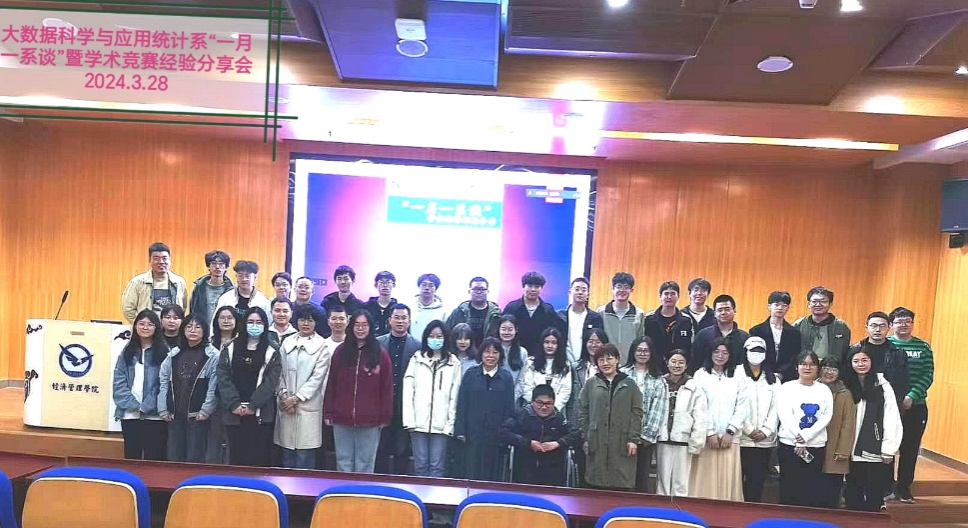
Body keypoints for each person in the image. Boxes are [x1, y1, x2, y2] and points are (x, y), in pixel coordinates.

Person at [323, 309, 394, 473]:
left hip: (370, 420)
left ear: (370, 327)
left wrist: (385, 416)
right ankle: (344, 490)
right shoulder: (340, 352)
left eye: (364, 325)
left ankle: (362, 490)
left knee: (365, 462)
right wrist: (328, 412)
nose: (360, 329)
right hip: (341, 418)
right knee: (343, 461)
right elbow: (331, 383)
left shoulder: (380, 354)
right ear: (351, 327)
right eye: (357, 325)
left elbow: (387, 388)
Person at [217, 307, 281, 467]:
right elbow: (223, 377)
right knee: (236, 458)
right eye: (251, 322)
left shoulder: (272, 350)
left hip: (260, 413)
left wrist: (253, 405)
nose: (255, 325)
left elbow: (270, 382)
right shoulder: (230, 347)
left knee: (259, 458)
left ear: (265, 325)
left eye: (259, 322)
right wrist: (234, 404)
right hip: (234, 412)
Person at [842, 345, 903, 512]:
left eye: (864, 360)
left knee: (873, 493)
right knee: (852, 494)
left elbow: (892, 418)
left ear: (872, 362)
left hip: (873, 449)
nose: (860, 364)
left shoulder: (882, 386)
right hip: (849, 449)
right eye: (856, 361)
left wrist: (889, 448)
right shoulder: (845, 384)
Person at [402, 320, 462, 477]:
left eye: (439, 336)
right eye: (432, 336)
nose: (435, 339)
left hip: (441, 425)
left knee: (437, 467)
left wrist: (450, 423)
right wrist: (409, 421)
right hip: (418, 423)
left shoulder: (453, 363)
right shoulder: (417, 359)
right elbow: (408, 391)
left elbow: (454, 395)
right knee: (420, 466)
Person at [580, 343, 644, 491]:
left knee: (621, 483)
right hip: (596, 439)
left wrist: (633, 439)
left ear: (617, 360)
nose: (605, 363)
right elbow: (583, 411)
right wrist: (586, 436)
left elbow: (637, 413)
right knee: (596, 483)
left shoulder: (629, 384)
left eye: (609, 358)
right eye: (601, 360)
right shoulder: (591, 384)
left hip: (622, 440)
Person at [690, 341, 748, 501]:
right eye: (716, 352)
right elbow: (699, 406)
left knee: (727, 481)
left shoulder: (738, 375)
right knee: (705, 483)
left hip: (730, 438)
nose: (720, 356)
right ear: (710, 353)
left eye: (725, 352)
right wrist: (710, 432)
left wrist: (730, 431)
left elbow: (742, 406)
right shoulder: (701, 375)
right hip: (707, 438)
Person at [275, 304, 330, 469]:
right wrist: (284, 396)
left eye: (310, 320)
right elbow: (278, 371)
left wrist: (296, 398)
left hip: (307, 406)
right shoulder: (287, 342)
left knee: (304, 458)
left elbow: (318, 377)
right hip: (286, 406)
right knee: (286, 456)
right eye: (302, 320)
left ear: (316, 323)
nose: (305, 324)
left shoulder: (322, 345)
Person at [888, 306, 934, 504]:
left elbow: (927, 375)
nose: (903, 325)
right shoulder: (886, 345)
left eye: (907, 321)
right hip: (889, 405)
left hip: (916, 406)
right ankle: (886, 486)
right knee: (888, 446)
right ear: (891, 325)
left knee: (910, 448)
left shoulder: (923, 347)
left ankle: (904, 488)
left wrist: (912, 396)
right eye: (899, 321)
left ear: (912, 324)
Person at [158, 313, 218, 463]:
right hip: (175, 414)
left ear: (204, 330)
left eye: (197, 327)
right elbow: (164, 381)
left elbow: (213, 387)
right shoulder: (174, 354)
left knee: (194, 458)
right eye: (189, 326)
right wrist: (163, 408)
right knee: (173, 457)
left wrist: (206, 410)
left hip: (198, 415)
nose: (193, 330)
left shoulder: (213, 355)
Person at [776, 351, 834, 508]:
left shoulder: (824, 390)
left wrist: (806, 436)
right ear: (797, 367)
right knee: (789, 486)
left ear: (817, 368)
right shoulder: (787, 387)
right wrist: (799, 439)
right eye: (803, 364)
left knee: (812, 487)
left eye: (812, 364)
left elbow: (826, 416)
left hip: (815, 445)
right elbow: (784, 415)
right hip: (790, 445)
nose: (807, 368)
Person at [454, 337, 516, 481]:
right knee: (471, 471)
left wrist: (506, 432)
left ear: (500, 355)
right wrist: (460, 430)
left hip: (496, 434)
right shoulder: (471, 374)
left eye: (495, 352)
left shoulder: (506, 377)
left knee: (492, 473)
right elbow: (462, 403)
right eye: (487, 352)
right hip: (472, 433)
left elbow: (509, 408)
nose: (490, 356)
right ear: (481, 353)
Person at [499, 384, 582, 486]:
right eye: (539, 403)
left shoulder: (559, 418)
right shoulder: (522, 415)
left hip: (552, 469)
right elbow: (503, 432)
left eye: (548, 403)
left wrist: (558, 443)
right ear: (532, 401)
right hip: (524, 466)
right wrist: (528, 443)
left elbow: (576, 434)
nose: (544, 407)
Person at [112, 309, 167, 460]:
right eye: (141, 323)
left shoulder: (164, 352)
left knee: (154, 457)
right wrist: (134, 405)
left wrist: (147, 406)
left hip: (155, 415)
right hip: (130, 413)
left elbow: (163, 383)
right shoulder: (127, 352)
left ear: (156, 327)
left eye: (150, 324)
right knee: (132, 456)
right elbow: (119, 381)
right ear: (135, 326)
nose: (145, 327)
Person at [375, 304, 421, 475]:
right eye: (396, 317)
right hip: (381, 404)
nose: (400, 321)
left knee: (402, 450)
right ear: (389, 320)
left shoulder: (417, 346)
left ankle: (400, 484)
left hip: (405, 405)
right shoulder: (378, 343)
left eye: (404, 318)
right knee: (381, 448)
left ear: (409, 321)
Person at [620, 336, 669, 493]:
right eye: (639, 350)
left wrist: (644, 437)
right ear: (633, 352)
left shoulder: (658, 379)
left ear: (651, 353)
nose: (642, 354)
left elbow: (658, 409)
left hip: (645, 439)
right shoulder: (622, 374)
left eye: (646, 351)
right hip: (622, 435)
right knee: (622, 477)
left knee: (641, 478)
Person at [656, 350, 706, 497]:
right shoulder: (660, 383)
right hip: (662, 438)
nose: (676, 365)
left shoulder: (694, 386)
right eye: (673, 361)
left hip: (683, 439)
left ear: (686, 365)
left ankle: (680, 508)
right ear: (667, 363)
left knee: (681, 482)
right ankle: (662, 508)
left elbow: (700, 415)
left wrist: (697, 441)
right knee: (662, 480)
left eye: (681, 362)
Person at [738, 337, 779, 503]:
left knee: (757, 482)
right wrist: (748, 429)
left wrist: (765, 430)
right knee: (737, 482)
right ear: (745, 352)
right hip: (741, 440)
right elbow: (735, 405)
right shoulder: (735, 374)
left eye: (760, 351)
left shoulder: (774, 379)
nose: (756, 354)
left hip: (764, 442)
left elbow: (777, 408)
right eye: (752, 350)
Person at [847, 311, 909, 412]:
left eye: (882, 326)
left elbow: (903, 382)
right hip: (859, 401)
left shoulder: (898, 353)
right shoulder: (854, 350)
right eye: (873, 326)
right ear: (866, 327)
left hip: (888, 402)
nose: (878, 330)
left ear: (889, 327)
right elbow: (848, 377)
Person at [819, 356, 856, 509]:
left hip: (835, 448)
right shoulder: (812, 388)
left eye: (834, 369)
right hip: (814, 446)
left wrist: (843, 451)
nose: (829, 372)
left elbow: (849, 424)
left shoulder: (845, 394)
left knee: (831, 490)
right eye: (826, 368)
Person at [122, 242, 188, 323]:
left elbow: (183, 307)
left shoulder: (179, 282)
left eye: (164, 258)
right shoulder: (137, 282)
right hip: (148, 329)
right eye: (156, 258)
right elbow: (128, 309)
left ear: (169, 260)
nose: (161, 262)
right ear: (150, 260)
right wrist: (142, 325)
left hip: (171, 328)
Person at [502, 271, 564, 357]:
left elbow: (553, 335)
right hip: (514, 354)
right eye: (530, 286)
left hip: (540, 356)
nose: (533, 289)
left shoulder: (548, 310)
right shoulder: (512, 308)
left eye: (537, 286)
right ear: (523, 287)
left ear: (541, 288)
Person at [317, 304, 348, 469]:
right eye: (334, 318)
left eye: (341, 318)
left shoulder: (352, 345)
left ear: (348, 321)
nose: (338, 322)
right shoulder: (321, 345)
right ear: (328, 321)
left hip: (345, 403)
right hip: (322, 401)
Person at [749, 291, 802, 382]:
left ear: (788, 308)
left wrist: (781, 374)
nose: (780, 308)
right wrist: (768, 373)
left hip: (786, 378)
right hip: (761, 376)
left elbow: (794, 357)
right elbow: (755, 354)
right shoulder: (756, 331)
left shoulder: (794, 333)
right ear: (769, 306)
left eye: (784, 305)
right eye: (776, 305)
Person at [208, 305, 238, 464]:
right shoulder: (209, 342)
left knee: (231, 440)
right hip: (211, 396)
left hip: (232, 396)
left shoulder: (240, 342)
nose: (226, 321)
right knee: (213, 438)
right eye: (222, 318)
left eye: (230, 318)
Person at [690, 294, 750, 374]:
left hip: (735, 378)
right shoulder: (703, 335)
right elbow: (695, 362)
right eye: (720, 310)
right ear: (714, 313)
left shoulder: (744, 337)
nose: (723, 313)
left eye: (727, 309)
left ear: (734, 311)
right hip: (707, 378)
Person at [517, 328, 573, 410]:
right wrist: (538, 405)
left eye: (553, 343)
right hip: (532, 409)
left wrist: (552, 408)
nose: (550, 346)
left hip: (556, 410)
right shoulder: (530, 363)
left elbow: (565, 390)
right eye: (547, 342)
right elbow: (526, 387)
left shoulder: (565, 365)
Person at [597, 272, 646, 364]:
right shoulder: (601, 312)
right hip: (606, 362)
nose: (622, 290)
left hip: (629, 363)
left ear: (631, 290)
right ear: (612, 289)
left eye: (626, 287)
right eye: (619, 286)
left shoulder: (639, 314)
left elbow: (640, 341)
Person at [793, 286, 851, 362]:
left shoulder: (841, 327)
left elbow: (844, 353)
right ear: (809, 304)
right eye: (814, 301)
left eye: (823, 301)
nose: (818, 304)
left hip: (831, 368)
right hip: (806, 368)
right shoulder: (798, 325)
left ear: (830, 304)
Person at [643, 281, 693, 366]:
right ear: (660, 296)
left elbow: (691, 345)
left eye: (673, 294)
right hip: (654, 364)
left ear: (678, 296)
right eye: (666, 294)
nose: (669, 297)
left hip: (678, 365)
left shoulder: (686, 320)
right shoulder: (649, 318)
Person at [556, 277, 604, 367]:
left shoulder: (595, 318)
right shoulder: (559, 316)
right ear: (570, 292)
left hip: (586, 364)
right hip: (562, 362)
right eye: (577, 289)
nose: (580, 292)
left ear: (588, 294)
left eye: (584, 290)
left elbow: (599, 342)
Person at [446, 277, 501, 347]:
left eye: (482, 289)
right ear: (469, 291)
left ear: (488, 291)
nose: (478, 292)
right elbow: (448, 333)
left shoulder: (496, 314)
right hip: (463, 351)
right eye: (475, 289)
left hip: (488, 351)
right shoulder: (459, 312)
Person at [188, 249, 233, 327]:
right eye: (213, 263)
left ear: (226, 267)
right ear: (208, 266)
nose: (217, 267)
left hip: (223, 329)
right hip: (202, 328)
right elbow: (193, 310)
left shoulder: (231, 289)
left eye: (221, 264)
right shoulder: (199, 287)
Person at [494, 315, 528, 386]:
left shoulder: (522, 352)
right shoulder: (492, 350)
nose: (507, 332)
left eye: (510, 329)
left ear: (516, 330)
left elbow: (522, 379)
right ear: (498, 329)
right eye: (503, 329)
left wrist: (514, 393)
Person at [363, 271, 398, 337]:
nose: (385, 285)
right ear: (376, 285)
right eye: (381, 282)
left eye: (388, 282)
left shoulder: (397, 309)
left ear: (394, 285)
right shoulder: (366, 307)